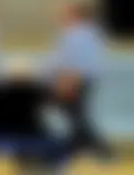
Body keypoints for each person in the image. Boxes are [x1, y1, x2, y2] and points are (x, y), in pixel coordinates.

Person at [48, 1, 113, 162]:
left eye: (67, 13)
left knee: (76, 116)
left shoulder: (79, 35)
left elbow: (76, 61)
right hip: (79, 79)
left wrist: (68, 81)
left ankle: (100, 150)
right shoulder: (86, 33)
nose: (62, 16)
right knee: (75, 115)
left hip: (75, 80)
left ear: (76, 15)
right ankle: (78, 146)